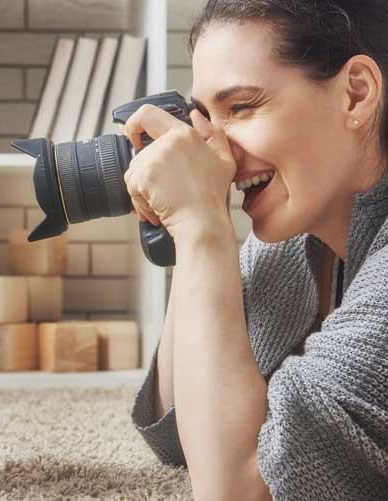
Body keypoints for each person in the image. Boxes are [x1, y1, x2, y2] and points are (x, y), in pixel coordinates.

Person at [125, 1, 388, 499]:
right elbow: (183, 435)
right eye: (204, 119)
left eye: (241, 107)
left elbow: (240, 488)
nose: (215, 151)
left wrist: (200, 226)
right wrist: (192, 226)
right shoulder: (297, 243)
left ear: (356, 94)